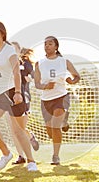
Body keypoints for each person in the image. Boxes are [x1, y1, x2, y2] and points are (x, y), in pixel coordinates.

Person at [0, 21, 37, 171]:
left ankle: (31, 161)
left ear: (3, 34)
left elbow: (16, 71)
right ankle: (6, 153)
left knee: (18, 129)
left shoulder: (9, 50)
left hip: (11, 92)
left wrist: (18, 92)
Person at [34, 36, 80, 165]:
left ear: (56, 47)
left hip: (61, 97)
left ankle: (55, 156)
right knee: (51, 131)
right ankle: (64, 122)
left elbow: (77, 76)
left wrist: (72, 80)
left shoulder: (64, 61)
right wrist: (45, 86)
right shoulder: (39, 63)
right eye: (45, 44)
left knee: (55, 126)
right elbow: (37, 84)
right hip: (46, 100)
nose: (47, 46)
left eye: (50, 43)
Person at [10, 42, 39, 165]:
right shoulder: (6, 65)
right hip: (9, 99)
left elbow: (34, 76)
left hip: (24, 98)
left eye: (13, 49)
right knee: (13, 129)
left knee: (20, 129)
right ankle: (20, 156)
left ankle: (30, 136)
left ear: (19, 51)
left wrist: (30, 79)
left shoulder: (25, 64)